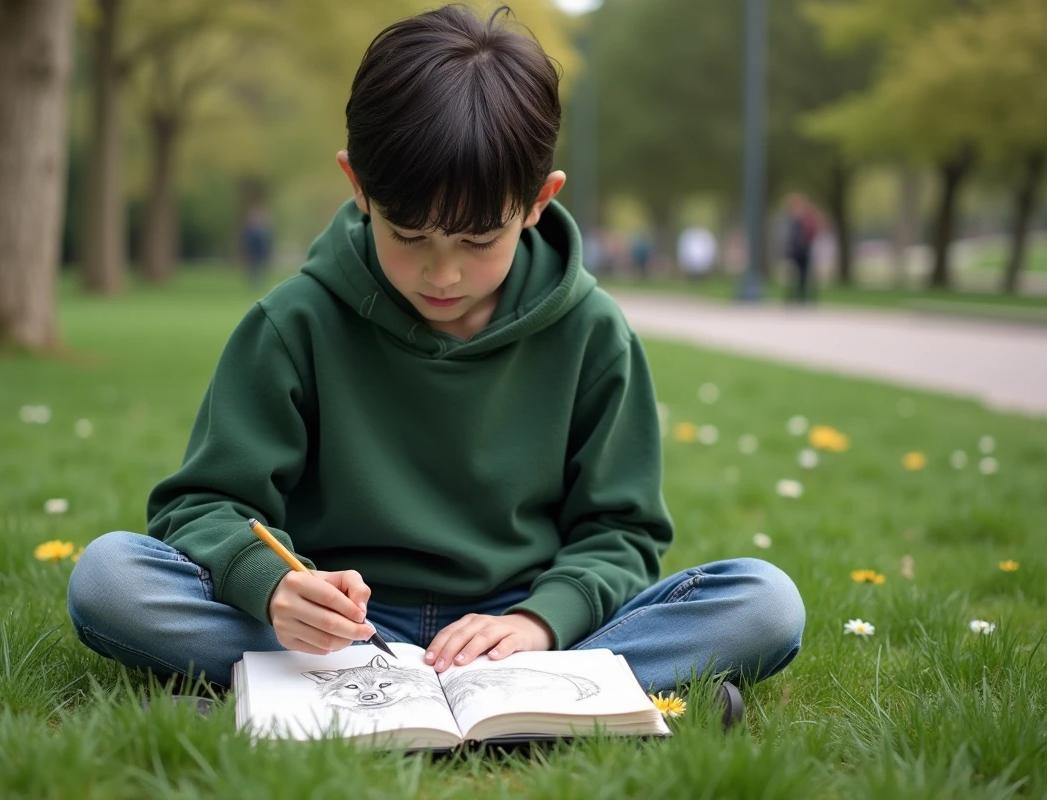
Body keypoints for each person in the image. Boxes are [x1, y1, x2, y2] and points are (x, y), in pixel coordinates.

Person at [68, 5, 804, 717]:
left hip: (516, 631)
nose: (442, 274)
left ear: (538, 202)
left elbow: (622, 534)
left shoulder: (594, 333)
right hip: (342, 635)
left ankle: (422, 693)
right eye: (410, 236)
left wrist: (540, 623)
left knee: (764, 603)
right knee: (110, 578)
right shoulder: (293, 323)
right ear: (359, 187)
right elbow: (202, 505)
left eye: (480, 242)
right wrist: (275, 588)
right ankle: (555, 699)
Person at [783, 193, 820, 303]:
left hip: (804, 249)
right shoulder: (791, 218)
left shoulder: (806, 218)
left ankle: (804, 297)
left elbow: (813, 232)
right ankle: (793, 296)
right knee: (793, 274)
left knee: (805, 274)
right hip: (795, 250)